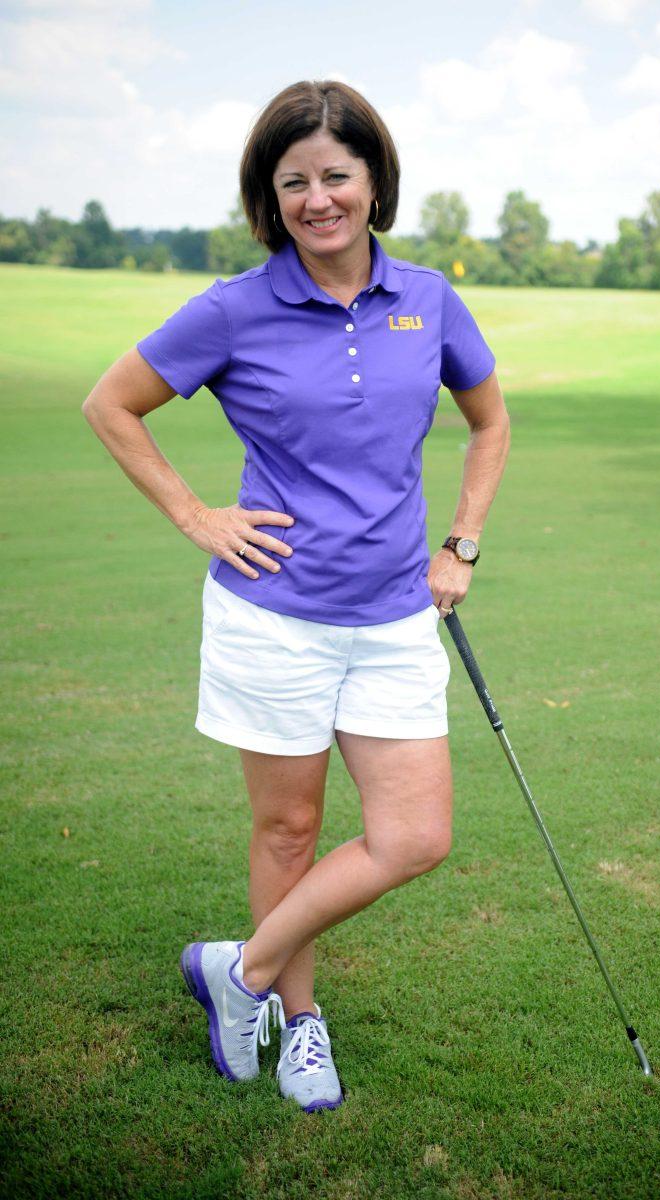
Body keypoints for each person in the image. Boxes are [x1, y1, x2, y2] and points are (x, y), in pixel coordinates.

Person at [81, 79, 510, 1113]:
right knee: (288, 832)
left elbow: (489, 423)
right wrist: (197, 517)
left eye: (335, 176)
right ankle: (300, 1023)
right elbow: (112, 404)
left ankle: (238, 972)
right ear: (270, 200)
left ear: (373, 184)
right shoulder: (235, 307)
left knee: (414, 837)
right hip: (270, 615)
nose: (317, 198)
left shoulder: (427, 300)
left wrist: (461, 545)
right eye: (293, 183)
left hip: (396, 616)